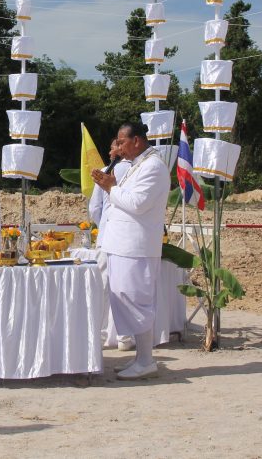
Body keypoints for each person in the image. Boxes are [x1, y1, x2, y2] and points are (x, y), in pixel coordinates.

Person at [91, 121, 170, 380]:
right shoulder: (137, 164)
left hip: (136, 246)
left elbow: (138, 203)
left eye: (122, 142)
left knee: (137, 301)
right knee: (125, 298)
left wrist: (111, 187)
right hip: (122, 245)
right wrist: (112, 184)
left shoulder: (153, 166)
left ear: (136, 141)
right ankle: (141, 358)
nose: (119, 147)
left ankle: (146, 360)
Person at [88, 137, 135, 352]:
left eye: (113, 147)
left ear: (120, 148)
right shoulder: (137, 170)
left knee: (103, 288)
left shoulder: (104, 172)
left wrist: (104, 226)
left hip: (108, 237)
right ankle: (125, 336)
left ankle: (99, 336)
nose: (109, 151)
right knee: (125, 287)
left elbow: (94, 209)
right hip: (128, 237)